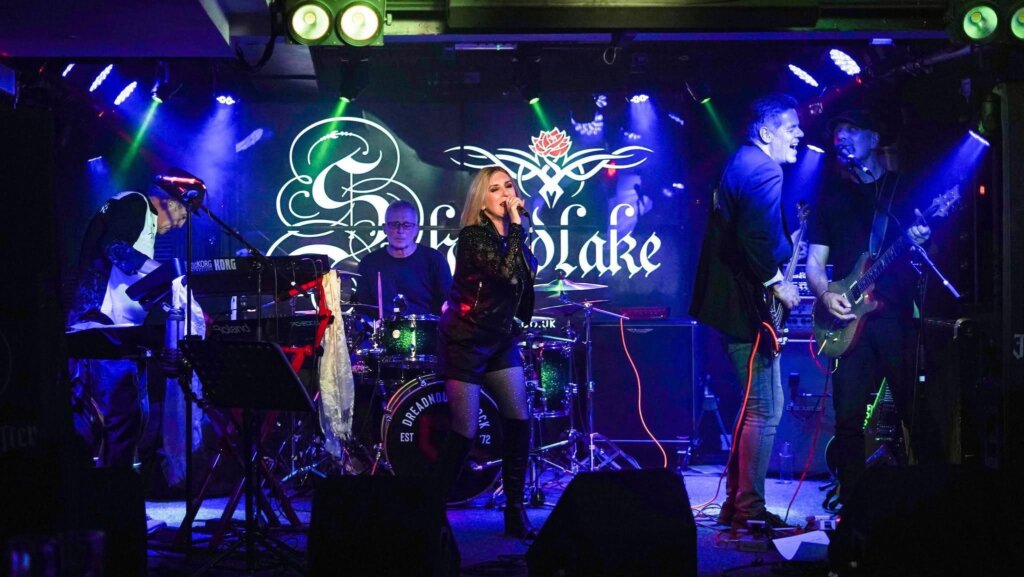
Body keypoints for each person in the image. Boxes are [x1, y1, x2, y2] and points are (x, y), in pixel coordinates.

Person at [805, 110, 932, 510]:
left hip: (893, 318)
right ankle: (854, 504)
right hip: (847, 324)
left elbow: (929, 248)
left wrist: (924, 238)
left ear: (874, 136)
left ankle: (933, 501)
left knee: (918, 414)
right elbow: (814, 263)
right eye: (837, 132)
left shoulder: (901, 190)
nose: (841, 137)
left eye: (852, 129)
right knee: (847, 421)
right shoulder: (832, 197)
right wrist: (826, 296)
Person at [689, 94, 803, 530]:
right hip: (743, 309)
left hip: (729, 307)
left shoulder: (740, 162)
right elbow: (753, 239)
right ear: (766, 132)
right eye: (791, 128)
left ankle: (737, 506)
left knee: (752, 409)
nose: (799, 135)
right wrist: (779, 283)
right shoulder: (762, 168)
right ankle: (750, 511)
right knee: (765, 410)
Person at [435, 167, 538, 539]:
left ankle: (514, 509)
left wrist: (517, 229)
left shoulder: (516, 237)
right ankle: (431, 508)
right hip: (466, 338)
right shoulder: (472, 237)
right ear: (481, 199)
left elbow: (523, 283)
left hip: (500, 339)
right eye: (494, 189)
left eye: (508, 186)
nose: (504, 194)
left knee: (519, 418)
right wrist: (516, 226)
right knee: (464, 431)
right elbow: (507, 274)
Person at [67, 183, 193, 468]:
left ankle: (104, 497)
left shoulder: (141, 218)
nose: (178, 226)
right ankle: (115, 499)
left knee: (101, 415)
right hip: (101, 323)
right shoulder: (136, 203)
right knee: (124, 415)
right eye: (183, 217)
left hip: (102, 323)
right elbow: (114, 248)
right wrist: (164, 272)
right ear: (170, 203)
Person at [354, 200, 452, 317]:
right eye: (394, 225)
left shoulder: (435, 260)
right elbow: (362, 310)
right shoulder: (369, 263)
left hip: (425, 332)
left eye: (406, 225)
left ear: (416, 229)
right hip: (382, 332)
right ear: (384, 228)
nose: (400, 231)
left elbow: (449, 304)